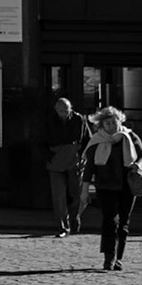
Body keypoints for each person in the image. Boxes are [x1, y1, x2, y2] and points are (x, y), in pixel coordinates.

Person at [81, 106, 142, 271]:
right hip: (105, 186)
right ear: (102, 125)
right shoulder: (97, 141)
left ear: (120, 121)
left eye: (114, 122)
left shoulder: (129, 136)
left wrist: (138, 165)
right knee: (110, 221)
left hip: (127, 186)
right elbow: (89, 168)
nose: (111, 126)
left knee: (124, 222)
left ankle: (119, 258)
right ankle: (108, 257)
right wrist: (84, 190)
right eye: (107, 123)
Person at [43, 96, 89, 237]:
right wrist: (49, 157)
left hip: (74, 160)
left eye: (66, 110)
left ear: (71, 109)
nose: (63, 113)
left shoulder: (79, 119)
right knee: (59, 196)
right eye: (60, 111)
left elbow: (87, 139)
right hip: (56, 161)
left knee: (76, 193)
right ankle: (62, 227)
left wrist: (83, 156)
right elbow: (41, 141)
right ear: (56, 110)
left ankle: (75, 219)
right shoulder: (49, 121)